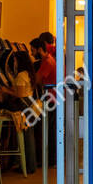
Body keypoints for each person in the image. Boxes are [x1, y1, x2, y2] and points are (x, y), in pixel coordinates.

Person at [30, 37, 57, 167]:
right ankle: (50, 159)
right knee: (50, 129)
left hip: (50, 98)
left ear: (40, 49)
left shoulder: (47, 62)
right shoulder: (50, 59)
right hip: (54, 97)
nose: (31, 53)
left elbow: (38, 80)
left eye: (32, 50)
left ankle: (49, 159)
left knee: (47, 129)